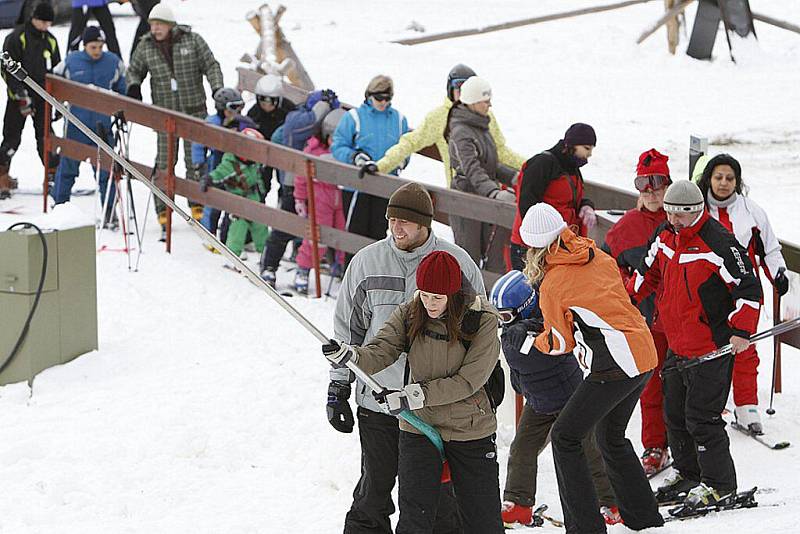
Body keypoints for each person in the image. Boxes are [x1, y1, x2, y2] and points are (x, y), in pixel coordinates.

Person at [329, 182, 484, 534]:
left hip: (435, 405)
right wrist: (338, 387)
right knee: (374, 491)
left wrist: (483, 383)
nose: (396, 227)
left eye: (405, 221)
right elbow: (347, 331)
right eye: (392, 219)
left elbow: (480, 327)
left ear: (425, 224)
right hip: (379, 400)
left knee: (440, 499)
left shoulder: (456, 263)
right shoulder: (366, 262)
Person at [519, 202, 664, 532]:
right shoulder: (597, 255)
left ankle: (584, 526)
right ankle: (644, 518)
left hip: (614, 364)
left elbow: (559, 344)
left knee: (565, 436)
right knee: (609, 435)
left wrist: (529, 341)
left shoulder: (554, 283)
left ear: (533, 247)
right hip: (643, 352)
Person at [629, 180, 762, 509]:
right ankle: (689, 474)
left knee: (702, 418)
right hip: (677, 343)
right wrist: (626, 299)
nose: (674, 221)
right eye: (670, 214)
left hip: (710, 347)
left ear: (697, 211)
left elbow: (749, 289)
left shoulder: (718, 242)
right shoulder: (666, 235)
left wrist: (742, 332)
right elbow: (648, 273)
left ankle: (720, 484)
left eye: (681, 216)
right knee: (674, 415)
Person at [490, 270, 621, 528]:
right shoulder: (513, 331)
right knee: (521, 449)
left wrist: (528, 330)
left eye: (505, 316)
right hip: (538, 401)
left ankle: (611, 502)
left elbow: (551, 339)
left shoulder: (549, 319)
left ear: (525, 307)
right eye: (498, 317)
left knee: (589, 451)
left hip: (569, 399)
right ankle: (518, 503)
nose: (502, 323)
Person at [695, 154, 788, 434]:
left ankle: (746, 406)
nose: (724, 183)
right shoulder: (697, 210)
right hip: (706, 291)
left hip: (745, 291)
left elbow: (770, 249)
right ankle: (710, 404)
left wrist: (779, 274)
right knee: (708, 348)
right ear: (709, 178)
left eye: (730, 178)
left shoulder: (752, 212)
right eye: (718, 177)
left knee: (744, 346)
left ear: (738, 181)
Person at [601, 148, 672, 476]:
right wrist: (629, 287)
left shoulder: (681, 219)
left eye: (657, 182)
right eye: (643, 183)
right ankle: (655, 446)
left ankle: (688, 445)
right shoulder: (625, 228)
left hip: (687, 322)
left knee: (687, 384)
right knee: (652, 384)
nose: (651, 191)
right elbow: (605, 270)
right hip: (646, 320)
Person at [126, 3, 224, 231]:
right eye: (152, 24)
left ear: (170, 25)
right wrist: (133, 85)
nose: (155, 29)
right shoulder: (146, 46)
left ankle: (197, 205)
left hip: (194, 112)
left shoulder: (192, 40)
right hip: (164, 115)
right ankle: (163, 208)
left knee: (195, 161)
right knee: (165, 162)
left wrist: (217, 88)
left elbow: (211, 65)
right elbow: (134, 69)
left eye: (159, 24)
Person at [376, 64, 524, 187]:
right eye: (460, 88)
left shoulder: (486, 114)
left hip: (490, 191)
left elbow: (501, 151)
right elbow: (410, 142)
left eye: (469, 88)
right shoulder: (439, 117)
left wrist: (532, 166)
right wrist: (380, 166)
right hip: (461, 193)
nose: (464, 94)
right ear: (450, 90)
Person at [258, 89, 339, 286]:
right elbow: (305, 125)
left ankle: (313, 264)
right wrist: (324, 105)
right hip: (293, 184)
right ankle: (269, 265)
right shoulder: (296, 118)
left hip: (324, 189)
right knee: (286, 227)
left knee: (323, 230)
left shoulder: (327, 133)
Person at [50, 26, 126, 227]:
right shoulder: (70, 61)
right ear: (85, 46)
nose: (98, 51)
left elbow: (123, 90)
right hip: (76, 125)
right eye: (94, 47)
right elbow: (53, 83)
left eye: (101, 46)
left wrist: (121, 109)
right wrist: (58, 105)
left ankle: (109, 212)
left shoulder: (113, 62)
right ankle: (59, 206)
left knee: (105, 172)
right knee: (67, 168)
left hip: (103, 126)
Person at [446, 76, 516, 273]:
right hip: (466, 201)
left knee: (493, 256)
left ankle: (491, 299)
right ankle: (466, 302)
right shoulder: (461, 131)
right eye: (486, 101)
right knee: (469, 259)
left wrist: (515, 177)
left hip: (483, 198)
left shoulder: (481, 127)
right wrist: (494, 193)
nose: (490, 105)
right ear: (474, 101)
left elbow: (490, 165)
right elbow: (472, 169)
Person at [331, 75, 409, 245]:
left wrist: (399, 162)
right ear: (369, 95)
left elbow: (406, 148)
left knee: (379, 234)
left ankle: (375, 271)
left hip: (385, 185)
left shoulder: (399, 120)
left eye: (387, 98)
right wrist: (355, 157)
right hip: (357, 186)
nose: (383, 102)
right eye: (379, 98)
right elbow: (338, 146)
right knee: (355, 233)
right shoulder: (354, 117)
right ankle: (352, 270)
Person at [509, 123, 597, 271]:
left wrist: (586, 205)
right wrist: (538, 243)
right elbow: (526, 203)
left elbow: (569, 200)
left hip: (558, 246)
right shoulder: (542, 163)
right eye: (587, 148)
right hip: (533, 248)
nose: (589, 154)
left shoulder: (572, 168)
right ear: (572, 145)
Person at [0, 1, 60, 199]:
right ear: (33, 18)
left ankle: (52, 176)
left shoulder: (50, 41)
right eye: (41, 21)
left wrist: (58, 101)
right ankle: (2, 176)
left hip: (43, 97)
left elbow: (58, 72)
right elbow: (7, 68)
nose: (44, 26)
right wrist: (20, 95)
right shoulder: (16, 38)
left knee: (46, 138)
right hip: (18, 98)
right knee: (11, 138)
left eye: (48, 23)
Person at [291, 108, 347, 294]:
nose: (335, 144)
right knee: (318, 237)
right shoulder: (314, 151)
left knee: (342, 233)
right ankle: (304, 269)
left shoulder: (345, 153)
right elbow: (301, 177)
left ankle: (340, 266)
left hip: (339, 199)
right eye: (332, 139)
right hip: (320, 198)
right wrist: (300, 198)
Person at [191, 87, 247, 238]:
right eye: (233, 107)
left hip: (233, 166)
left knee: (233, 199)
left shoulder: (239, 123)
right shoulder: (212, 123)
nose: (238, 111)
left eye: (240, 107)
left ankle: (228, 234)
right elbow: (198, 142)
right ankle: (208, 232)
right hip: (215, 163)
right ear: (222, 107)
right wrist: (199, 163)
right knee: (214, 200)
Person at [207, 128, 269, 261]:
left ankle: (265, 254)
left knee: (260, 226)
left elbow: (258, 179)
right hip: (239, 200)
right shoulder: (231, 162)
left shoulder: (254, 163)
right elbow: (220, 172)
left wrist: (262, 193)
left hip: (254, 198)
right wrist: (209, 179)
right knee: (238, 228)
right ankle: (233, 255)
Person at [246, 74, 296, 196]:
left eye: (271, 101)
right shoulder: (254, 113)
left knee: (285, 184)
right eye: (262, 100)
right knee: (261, 183)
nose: (267, 105)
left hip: (283, 153)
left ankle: (282, 205)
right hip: (261, 154)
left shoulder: (289, 110)